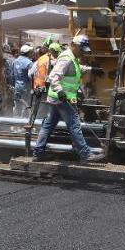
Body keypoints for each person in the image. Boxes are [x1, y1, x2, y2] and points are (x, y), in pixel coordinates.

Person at [32, 34, 105, 165]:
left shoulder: (72, 57)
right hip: (62, 99)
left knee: (48, 125)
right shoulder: (67, 58)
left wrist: (92, 69)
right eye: (81, 49)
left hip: (56, 98)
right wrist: (60, 92)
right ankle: (86, 154)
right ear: (73, 45)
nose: (82, 53)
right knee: (74, 125)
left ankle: (38, 152)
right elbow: (53, 77)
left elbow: (75, 69)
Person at [11, 43, 34, 111]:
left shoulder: (15, 61)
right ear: (28, 53)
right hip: (26, 87)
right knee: (26, 105)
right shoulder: (29, 63)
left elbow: (12, 75)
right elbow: (31, 76)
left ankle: (17, 117)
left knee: (18, 105)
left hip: (17, 86)